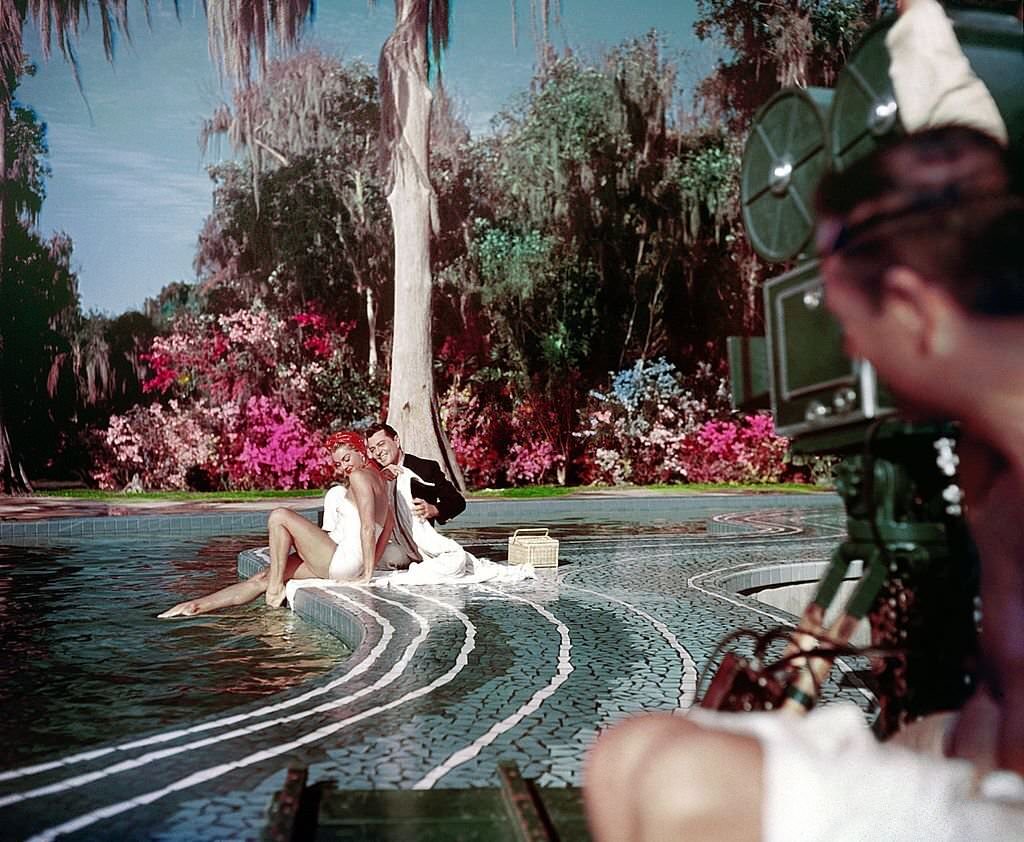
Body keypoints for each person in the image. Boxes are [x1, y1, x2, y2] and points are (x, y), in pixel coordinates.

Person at [583, 128, 1024, 840]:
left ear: (911, 307)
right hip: (981, 765)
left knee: (683, 785)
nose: (850, 350)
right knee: (629, 751)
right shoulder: (988, 461)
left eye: (851, 322)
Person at [157, 431, 394, 618]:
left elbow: (366, 528)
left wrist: (367, 575)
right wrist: (363, 569)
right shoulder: (382, 483)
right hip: (342, 561)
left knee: (280, 516)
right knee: (264, 577)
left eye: (347, 459)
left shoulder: (359, 477)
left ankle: (275, 589)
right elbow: (387, 529)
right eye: (339, 464)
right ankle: (195, 606)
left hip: (340, 560)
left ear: (361, 452)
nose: (344, 467)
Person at [365, 422, 466, 525]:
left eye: (381, 444)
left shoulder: (425, 468)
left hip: (420, 537)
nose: (377, 452)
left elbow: (457, 502)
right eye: (372, 449)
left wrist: (434, 510)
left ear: (396, 441)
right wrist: (380, 478)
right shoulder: (373, 473)